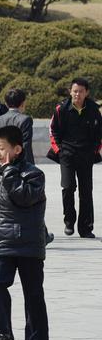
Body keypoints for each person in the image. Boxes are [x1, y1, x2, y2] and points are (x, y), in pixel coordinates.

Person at [0, 126, 49, 340]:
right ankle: (4, 333)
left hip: (28, 243)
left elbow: (23, 198)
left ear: (18, 149)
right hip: (1, 241)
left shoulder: (34, 174)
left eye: (2, 148)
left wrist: (10, 171)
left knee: (33, 293)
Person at [49, 78, 102, 238]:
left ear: (86, 93)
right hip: (67, 154)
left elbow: (99, 134)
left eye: (80, 91)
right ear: (70, 91)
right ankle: (69, 220)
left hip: (86, 155)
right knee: (68, 187)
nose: (77, 94)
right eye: (74, 91)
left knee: (86, 191)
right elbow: (53, 131)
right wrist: (59, 150)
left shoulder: (94, 109)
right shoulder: (61, 109)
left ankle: (86, 227)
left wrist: (94, 151)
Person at [0, 89, 35, 165]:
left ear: (6, 104)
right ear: (23, 103)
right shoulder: (25, 120)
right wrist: (30, 166)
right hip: (18, 165)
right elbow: (26, 146)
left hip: (0, 164)